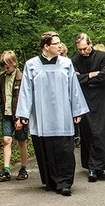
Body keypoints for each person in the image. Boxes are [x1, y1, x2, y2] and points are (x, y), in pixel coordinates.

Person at [16, 32, 89, 196]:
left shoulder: (66, 63)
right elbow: (26, 91)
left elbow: (74, 89)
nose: (60, 46)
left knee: (64, 150)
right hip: (41, 115)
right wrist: (24, 114)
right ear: (46, 46)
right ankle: (51, 180)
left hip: (62, 114)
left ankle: (65, 183)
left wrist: (77, 110)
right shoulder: (31, 65)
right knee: (46, 149)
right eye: (56, 43)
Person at [72, 33, 105, 182]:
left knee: (101, 131)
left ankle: (100, 165)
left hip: (101, 99)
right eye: (80, 49)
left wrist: (85, 78)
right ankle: (92, 166)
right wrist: (90, 75)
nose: (82, 52)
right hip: (84, 99)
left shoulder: (102, 56)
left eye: (85, 48)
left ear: (90, 44)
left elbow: (103, 76)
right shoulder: (74, 60)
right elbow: (74, 79)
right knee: (88, 131)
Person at [0, 51, 28, 181]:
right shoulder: (2, 77)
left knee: (21, 141)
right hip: (6, 113)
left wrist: (21, 117)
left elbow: (25, 97)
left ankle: (23, 168)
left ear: (14, 64)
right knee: (6, 140)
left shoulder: (22, 77)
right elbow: (0, 93)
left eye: (7, 67)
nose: (5, 69)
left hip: (19, 114)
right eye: (3, 67)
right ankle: (6, 170)